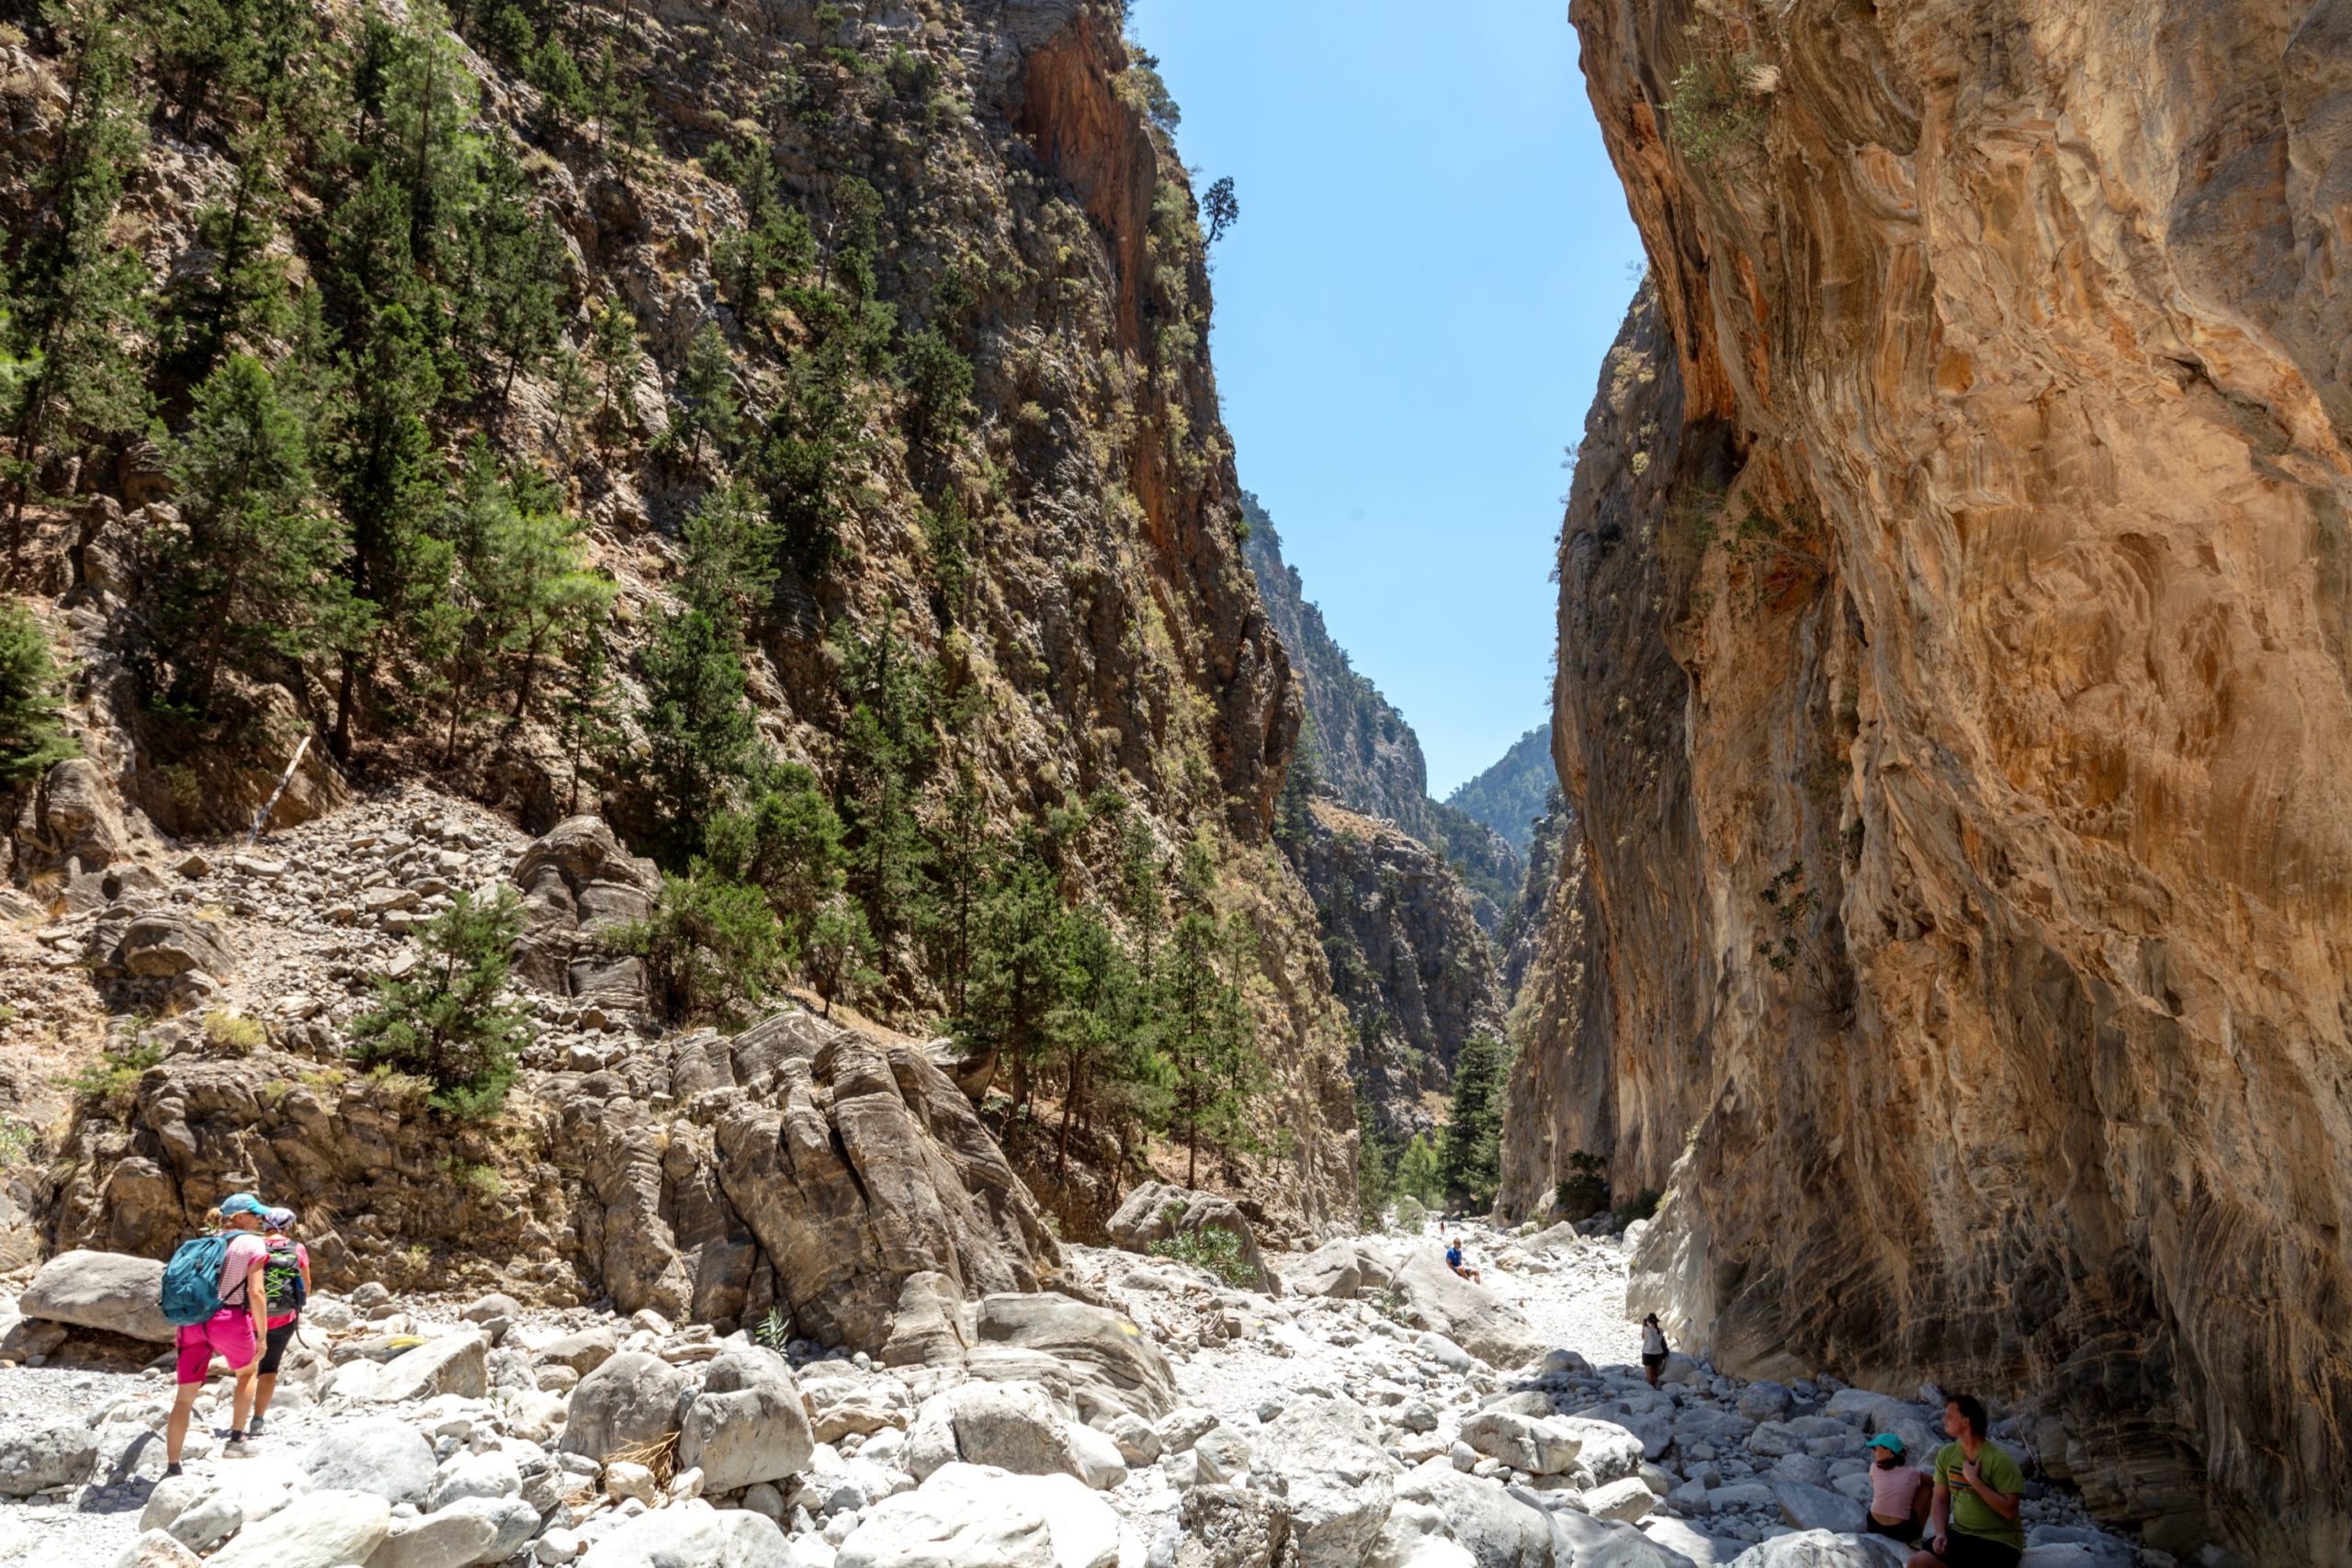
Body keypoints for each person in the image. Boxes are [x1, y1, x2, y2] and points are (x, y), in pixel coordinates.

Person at [164, 1192, 273, 1476]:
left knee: (184, 1397)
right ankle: (236, 1440)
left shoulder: (205, 1242)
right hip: (228, 1318)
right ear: (239, 1217)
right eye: (254, 1214)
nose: (259, 1219)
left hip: (192, 1321)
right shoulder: (252, 1243)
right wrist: (262, 1335)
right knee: (248, 1372)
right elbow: (256, 1291)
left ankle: (173, 1466)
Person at [1909, 1393, 2026, 1568]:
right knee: (1917, 1563)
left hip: (1999, 1540)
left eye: (1949, 1416)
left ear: (1966, 1422)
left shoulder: (1999, 1460)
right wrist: (1940, 1533)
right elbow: (1940, 1499)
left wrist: (1974, 1481)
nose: (1943, 1419)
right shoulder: (1946, 1454)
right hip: (1961, 1534)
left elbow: (2010, 1511)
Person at [246, 1206, 311, 1437]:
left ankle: (238, 1420)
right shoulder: (297, 1248)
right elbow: (305, 1285)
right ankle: (257, 1420)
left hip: (252, 1319)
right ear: (288, 1226)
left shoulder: (254, 1246)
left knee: (248, 1369)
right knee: (270, 1368)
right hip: (284, 1319)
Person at [1865, 1432, 1931, 1542]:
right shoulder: (1912, 1473)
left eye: (1876, 1448)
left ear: (1888, 1452)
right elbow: (1935, 1481)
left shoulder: (1873, 1468)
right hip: (1900, 1531)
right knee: (1927, 1490)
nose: (1873, 1451)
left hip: (1873, 1526)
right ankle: (1917, 1538)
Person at [1640, 1313, 1668, 1386]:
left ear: (1649, 1321)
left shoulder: (1647, 1329)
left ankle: (1650, 1392)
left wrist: (1643, 1325)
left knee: (1649, 1376)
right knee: (1654, 1374)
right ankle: (1656, 1390)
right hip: (1657, 1355)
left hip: (1647, 1354)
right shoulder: (1661, 1331)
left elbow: (1643, 1337)